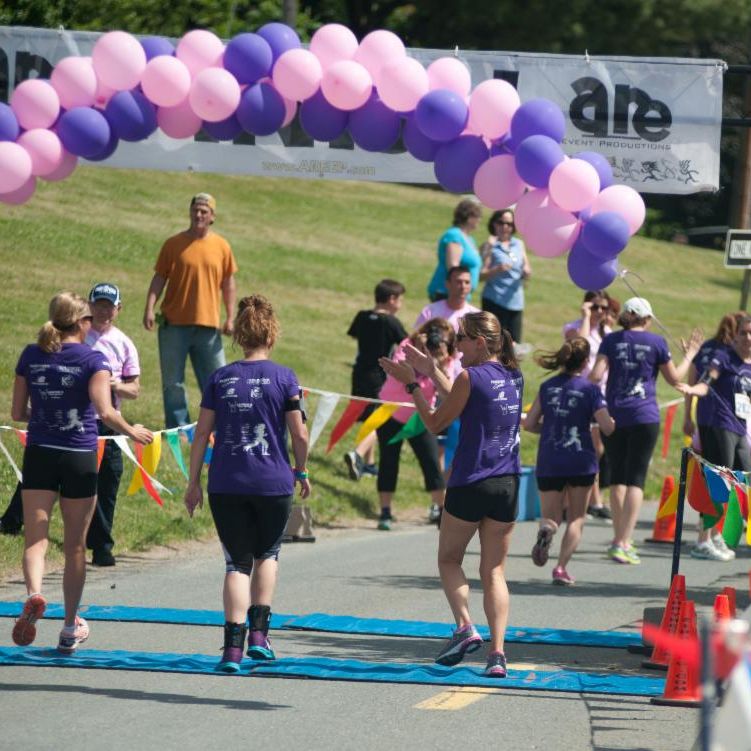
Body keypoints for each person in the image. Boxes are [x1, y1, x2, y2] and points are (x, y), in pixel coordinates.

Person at [380, 311, 522, 678]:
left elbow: (436, 422)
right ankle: (498, 654)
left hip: (471, 480)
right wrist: (430, 370)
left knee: (448, 559)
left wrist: (413, 384)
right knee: (494, 570)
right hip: (507, 483)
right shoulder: (514, 376)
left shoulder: (469, 376)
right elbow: (464, 397)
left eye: (461, 338)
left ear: (478, 342)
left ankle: (464, 626)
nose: (456, 345)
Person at [11, 292, 152, 653]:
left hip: (41, 451)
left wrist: (47, 416)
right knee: (75, 546)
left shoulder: (31, 355)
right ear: (82, 323)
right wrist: (132, 431)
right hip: (79, 455)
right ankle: (70, 625)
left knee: (36, 540)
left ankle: (35, 594)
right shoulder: (94, 358)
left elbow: (17, 412)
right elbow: (105, 412)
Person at [184, 294, 310, 673]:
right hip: (273, 482)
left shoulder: (219, 378)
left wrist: (194, 484)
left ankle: (231, 650)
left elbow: (201, 433)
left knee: (236, 564)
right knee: (267, 555)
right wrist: (301, 470)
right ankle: (259, 636)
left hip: (226, 482)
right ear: (272, 335)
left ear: (238, 336)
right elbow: (299, 435)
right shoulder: (285, 378)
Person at [589, 297, 701, 565]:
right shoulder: (657, 343)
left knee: (616, 476)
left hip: (615, 415)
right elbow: (676, 380)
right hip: (644, 415)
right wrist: (689, 356)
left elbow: (595, 377)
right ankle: (624, 542)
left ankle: (618, 539)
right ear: (647, 319)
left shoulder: (611, 341)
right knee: (635, 479)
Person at [524, 338, 615, 585]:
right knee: (576, 517)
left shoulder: (547, 387)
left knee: (551, 515)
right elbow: (607, 427)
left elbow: (530, 424)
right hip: (580, 459)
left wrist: (553, 426)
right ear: (586, 362)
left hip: (550, 458)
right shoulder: (591, 390)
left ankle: (547, 529)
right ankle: (561, 568)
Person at [143, 193, 238, 428]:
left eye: (204, 211)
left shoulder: (222, 246)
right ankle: (179, 428)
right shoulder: (173, 244)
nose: (199, 215)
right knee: (173, 381)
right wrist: (149, 307)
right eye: (195, 210)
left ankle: (219, 426)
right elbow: (159, 278)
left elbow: (228, 284)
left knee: (216, 380)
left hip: (209, 327)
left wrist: (230, 317)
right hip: (174, 325)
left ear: (212, 217)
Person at [681, 313, 751, 560]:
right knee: (719, 480)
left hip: (740, 427)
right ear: (736, 335)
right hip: (718, 423)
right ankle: (702, 540)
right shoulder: (723, 357)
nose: (747, 338)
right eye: (743, 333)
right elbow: (706, 382)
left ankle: (717, 532)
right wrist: (692, 390)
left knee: (743, 480)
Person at [374, 319, 455, 531]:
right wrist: (418, 350)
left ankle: (441, 510)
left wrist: (437, 365)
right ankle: (385, 511)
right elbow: (399, 369)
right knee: (388, 463)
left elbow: (448, 390)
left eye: (444, 341)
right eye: (435, 338)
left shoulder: (447, 357)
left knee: (431, 463)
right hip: (391, 412)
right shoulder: (408, 345)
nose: (437, 344)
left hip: (421, 417)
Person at [343, 279, 407, 481]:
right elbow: (406, 342)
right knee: (380, 420)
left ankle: (369, 465)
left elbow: (354, 335)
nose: (401, 304)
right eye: (401, 300)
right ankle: (358, 454)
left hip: (359, 372)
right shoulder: (391, 322)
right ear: (392, 299)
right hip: (379, 376)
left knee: (368, 416)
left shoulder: (362, 316)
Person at [563, 290, 613, 521]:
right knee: (589, 447)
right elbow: (579, 345)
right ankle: (590, 500)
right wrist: (585, 317)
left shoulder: (607, 333)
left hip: (600, 395)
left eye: (604, 308)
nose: (600, 312)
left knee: (595, 448)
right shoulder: (573, 327)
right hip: (578, 392)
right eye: (595, 307)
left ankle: (593, 498)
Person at [479, 209, 532, 345]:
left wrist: (526, 272)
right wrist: (496, 270)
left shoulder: (518, 244)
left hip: (515, 301)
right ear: (494, 224)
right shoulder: (490, 245)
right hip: (494, 299)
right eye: (501, 223)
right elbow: (480, 276)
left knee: (513, 345)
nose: (505, 227)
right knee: (492, 344)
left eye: (509, 224)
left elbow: (526, 267)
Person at [426, 199, 483, 302]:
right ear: (470, 217)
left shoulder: (469, 239)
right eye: (478, 216)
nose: (480, 220)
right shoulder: (454, 235)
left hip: (461, 295)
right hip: (447, 294)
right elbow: (453, 267)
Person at [415, 265, 480, 333]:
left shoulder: (476, 316)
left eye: (467, 282)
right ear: (447, 284)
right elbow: (416, 336)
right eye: (458, 282)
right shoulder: (430, 311)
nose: (463, 286)